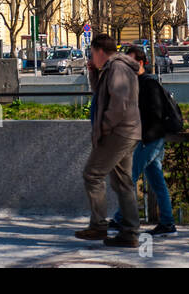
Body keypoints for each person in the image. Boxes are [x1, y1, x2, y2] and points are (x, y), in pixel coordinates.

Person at [75, 34, 142, 246]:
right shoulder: (112, 69)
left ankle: (98, 226)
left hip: (118, 132)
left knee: (92, 175)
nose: (91, 57)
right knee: (123, 182)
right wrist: (93, 72)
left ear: (99, 51)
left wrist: (104, 127)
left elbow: (118, 104)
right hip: (127, 131)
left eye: (92, 53)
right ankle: (130, 233)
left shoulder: (117, 68)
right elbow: (101, 95)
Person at [109, 46, 177, 237]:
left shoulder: (148, 84)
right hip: (149, 139)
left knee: (129, 177)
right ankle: (167, 223)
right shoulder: (135, 84)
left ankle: (120, 219)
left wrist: (145, 136)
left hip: (149, 139)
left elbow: (154, 115)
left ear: (140, 63)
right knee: (157, 181)